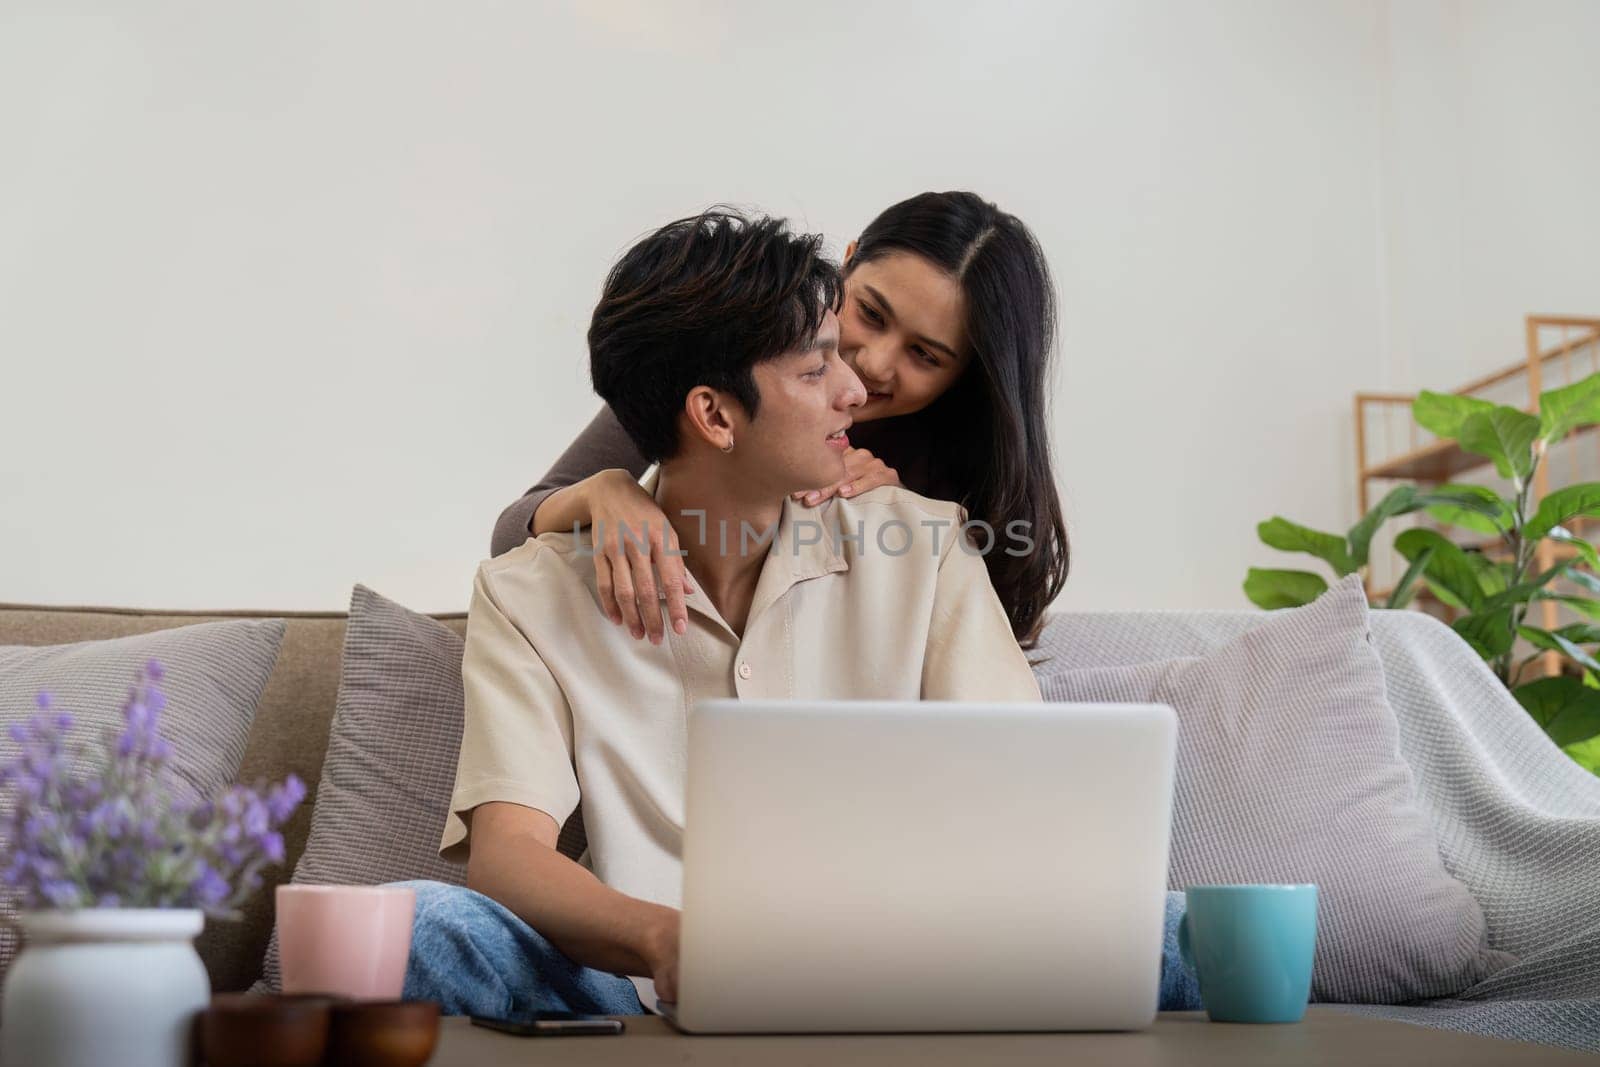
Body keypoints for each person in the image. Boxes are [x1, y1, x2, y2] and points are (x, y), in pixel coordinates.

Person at [397, 208, 1199, 1018]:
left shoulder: (926, 540)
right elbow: (508, 853)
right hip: (643, 979)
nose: (862, 375)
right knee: (420, 926)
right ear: (712, 414)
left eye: (924, 355)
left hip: (911, 948)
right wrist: (667, 939)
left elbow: (1026, 803)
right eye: (830, 359)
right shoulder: (532, 585)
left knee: (1184, 931)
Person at [490, 191, 1070, 649]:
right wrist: (605, 492)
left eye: (925, 355)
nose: (871, 364)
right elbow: (511, 538)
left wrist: (900, 535)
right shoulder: (718, 375)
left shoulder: (949, 495)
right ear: (847, 262)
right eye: (869, 312)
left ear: (964, 377)